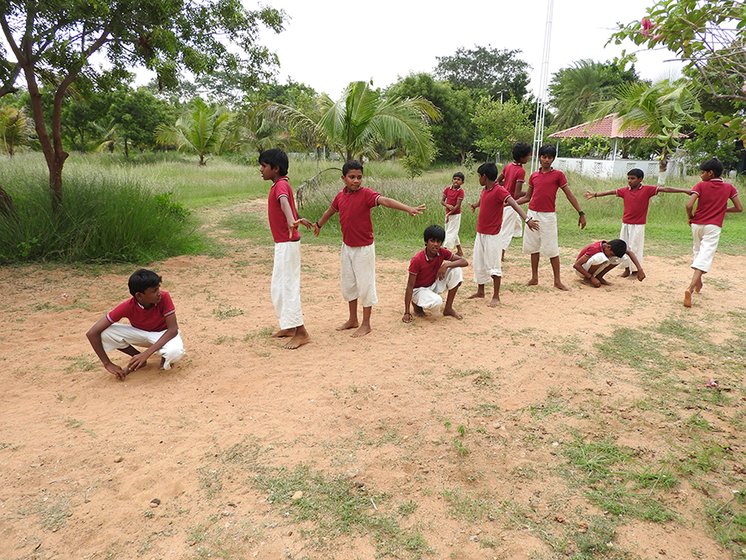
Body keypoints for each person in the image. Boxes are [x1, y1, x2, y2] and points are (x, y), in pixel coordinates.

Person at [313, 160, 425, 337]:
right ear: (343, 178)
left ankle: (366, 323)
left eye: (359, 177)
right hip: (347, 247)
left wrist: (408, 208)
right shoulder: (340, 197)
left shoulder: (366, 194)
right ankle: (352, 319)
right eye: (352, 177)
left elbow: (385, 201)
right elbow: (330, 211)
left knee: (365, 285)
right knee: (349, 284)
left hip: (364, 249)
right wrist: (318, 224)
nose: (356, 181)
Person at [584, 168, 692, 277]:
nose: (630, 181)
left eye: (633, 178)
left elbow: (666, 189)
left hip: (638, 225)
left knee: (635, 247)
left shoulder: (647, 190)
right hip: (625, 223)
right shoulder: (625, 190)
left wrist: (684, 190)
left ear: (640, 179)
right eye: (628, 178)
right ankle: (626, 268)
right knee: (622, 247)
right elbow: (611, 192)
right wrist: (595, 194)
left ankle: (635, 271)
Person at [86, 269, 185, 381]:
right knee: (104, 332)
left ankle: (161, 356)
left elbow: (173, 330)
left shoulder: (164, 297)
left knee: (175, 352)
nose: (159, 293)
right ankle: (137, 358)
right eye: (154, 290)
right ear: (139, 295)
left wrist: (146, 353)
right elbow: (92, 333)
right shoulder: (127, 306)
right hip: (141, 334)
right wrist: (107, 363)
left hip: (163, 334)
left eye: (158, 288)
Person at [260, 148, 312, 349]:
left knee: (287, 287)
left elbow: (284, 203)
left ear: (276, 168)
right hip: (284, 243)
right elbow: (287, 203)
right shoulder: (280, 185)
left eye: (264, 166)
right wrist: (296, 218)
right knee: (279, 287)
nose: (261, 170)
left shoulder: (280, 185)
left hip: (287, 244)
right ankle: (290, 326)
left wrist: (291, 220)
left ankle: (301, 332)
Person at [515, 145, 586, 290]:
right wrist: (509, 203)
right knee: (533, 247)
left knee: (552, 249)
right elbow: (528, 197)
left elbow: (569, 194)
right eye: (544, 157)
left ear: (553, 159)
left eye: (549, 157)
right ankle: (534, 277)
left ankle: (557, 281)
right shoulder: (534, 175)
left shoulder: (558, 175)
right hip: (532, 214)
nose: (546, 160)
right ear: (539, 157)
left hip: (548, 216)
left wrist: (581, 212)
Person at [469, 162, 539, 307]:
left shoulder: (499, 190)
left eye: (479, 176)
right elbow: (483, 201)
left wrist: (527, 219)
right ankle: (480, 291)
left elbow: (514, 203)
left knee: (494, 264)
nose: (478, 179)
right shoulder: (485, 190)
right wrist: (476, 205)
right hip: (480, 233)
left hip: (493, 235)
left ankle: (496, 296)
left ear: (484, 176)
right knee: (479, 261)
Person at [684, 157, 742, 307]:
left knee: (697, 251)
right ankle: (690, 288)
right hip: (713, 226)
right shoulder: (729, 188)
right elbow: (739, 208)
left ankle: (698, 284)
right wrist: (723, 209)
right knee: (705, 254)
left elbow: (689, 205)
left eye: (702, 172)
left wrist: (690, 216)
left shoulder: (700, 186)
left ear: (710, 173)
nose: (700, 175)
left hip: (696, 224)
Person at [403, 225, 469, 323]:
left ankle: (448, 308)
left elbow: (464, 262)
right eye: (432, 241)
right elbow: (410, 286)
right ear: (426, 242)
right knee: (437, 302)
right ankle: (416, 304)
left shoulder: (442, 252)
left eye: (438, 241)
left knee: (457, 270)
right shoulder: (417, 260)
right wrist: (407, 312)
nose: (435, 244)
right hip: (418, 290)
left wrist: (446, 265)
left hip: (433, 283)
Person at [496, 142, 532, 258]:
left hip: (503, 200)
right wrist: (531, 192)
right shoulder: (520, 171)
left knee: (513, 225)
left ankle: (500, 250)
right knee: (506, 230)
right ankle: (499, 254)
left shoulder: (508, 166)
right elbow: (517, 194)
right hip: (510, 203)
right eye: (528, 155)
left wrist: (506, 184)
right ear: (522, 157)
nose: (529, 157)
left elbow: (497, 182)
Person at [573, 239, 645, 287]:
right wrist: (591, 277)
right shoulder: (595, 248)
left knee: (622, 257)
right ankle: (587, 279)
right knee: (600, 257)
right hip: (582, 271)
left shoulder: (611, 246)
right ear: (608, 247)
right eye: (611, 254)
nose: (611, 256)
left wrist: (639, 269)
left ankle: (599, 276)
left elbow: (629, 253)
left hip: (592, 269)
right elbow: (576, 265)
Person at [441, 172, 465, 256]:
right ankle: (460, 251)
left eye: (459, 180)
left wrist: (449, 213)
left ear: (462, 182)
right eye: (455, 179)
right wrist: (447, 206)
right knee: (452, 232)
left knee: (450, 233)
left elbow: (457, 206)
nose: (456, 181)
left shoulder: (461, 192)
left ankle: (445, 250)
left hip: (455, 215)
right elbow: (442, 201)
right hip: (448, 214)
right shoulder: (447, 189)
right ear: (452, 180)